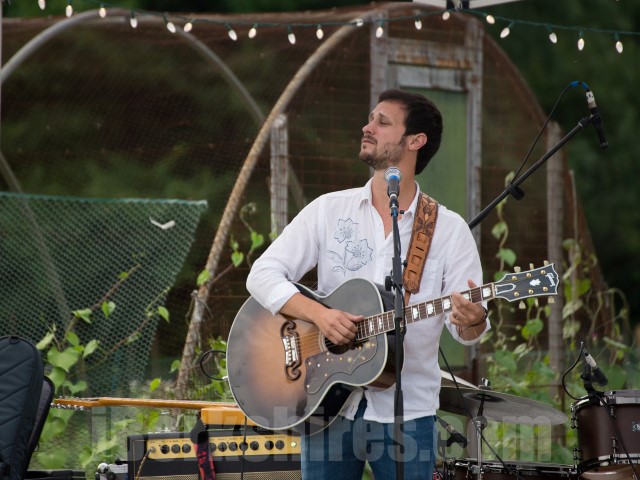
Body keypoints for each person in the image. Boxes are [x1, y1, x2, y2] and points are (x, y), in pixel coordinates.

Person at [246, 89, 490, 479]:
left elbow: (466, 332)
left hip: (407, 414)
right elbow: (262, 275)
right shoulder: (328, 210)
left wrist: (473, 318)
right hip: (323, 401)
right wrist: (320, 317)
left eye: (382, 121)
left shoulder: (448, 230)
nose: (367, 127)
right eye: (370, 118)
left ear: (415, 140)